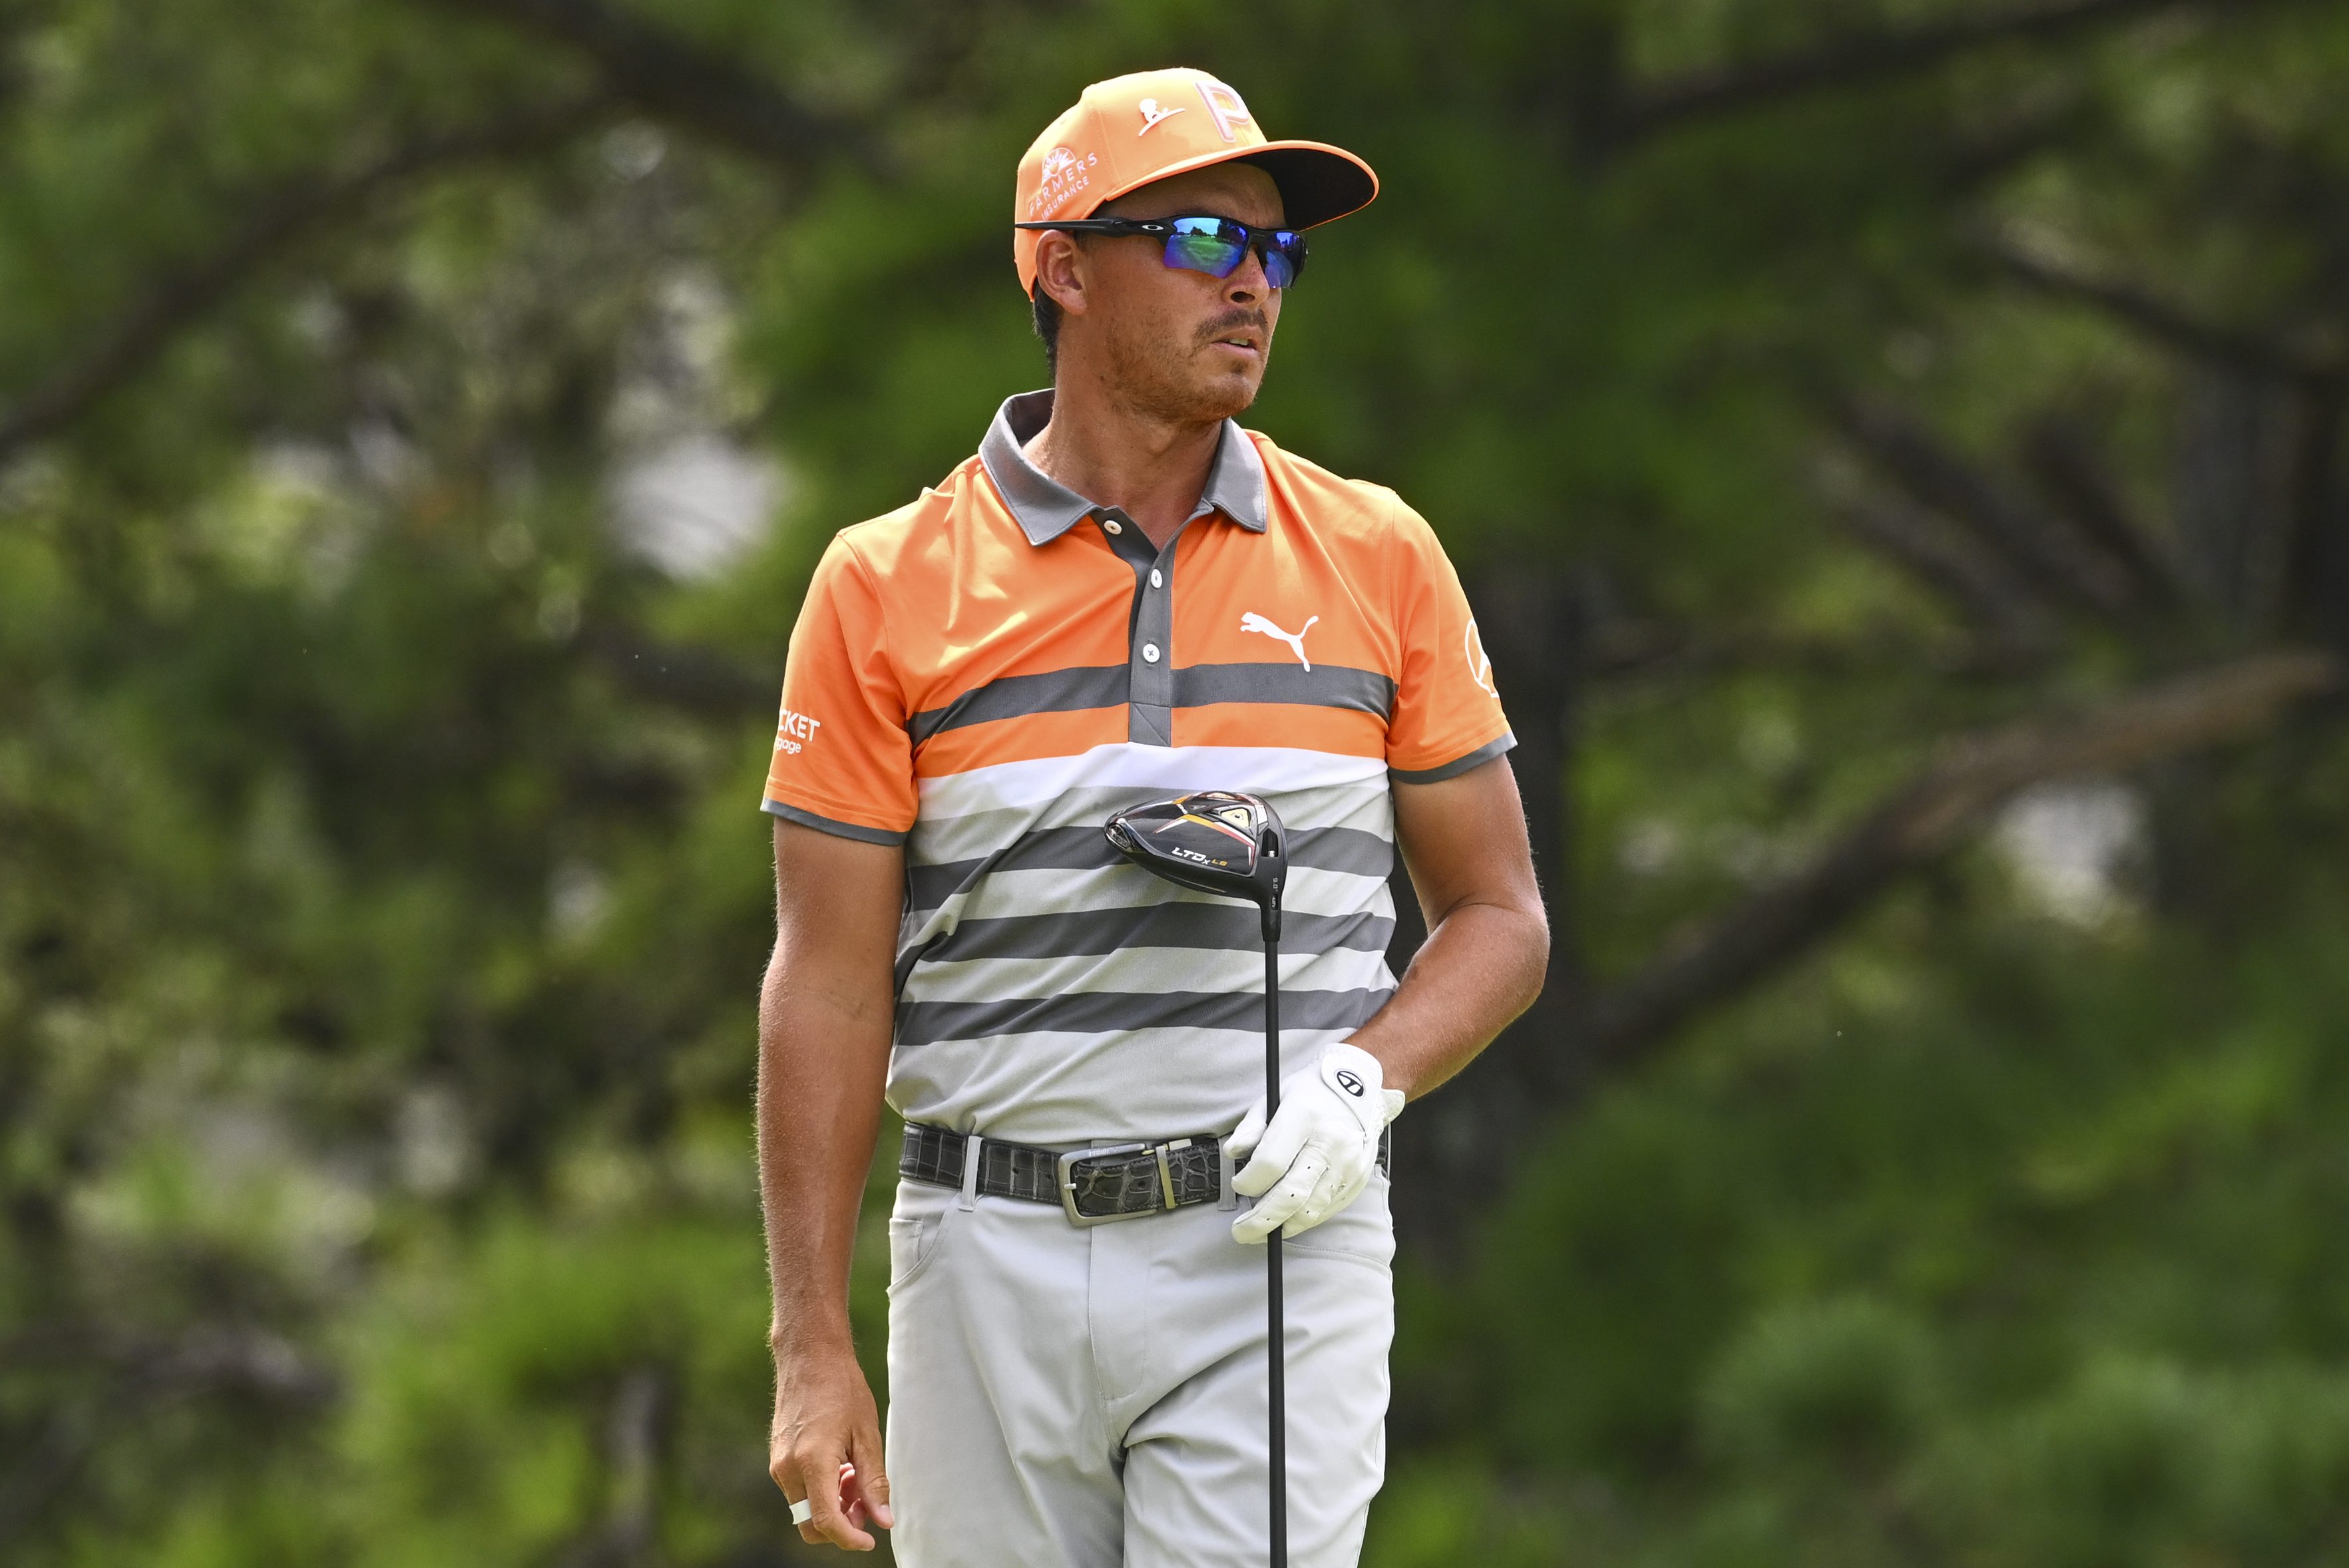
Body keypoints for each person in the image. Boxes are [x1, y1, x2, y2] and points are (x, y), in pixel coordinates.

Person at [756, 67, 1548, 1567]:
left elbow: (1500, 916)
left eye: (1274, 251)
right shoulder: (883, 583)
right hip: (978, 1251)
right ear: (1063, 268)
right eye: (1202, 240)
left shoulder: (1378, 553)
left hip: (1267, 1243)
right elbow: (830, 979)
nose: (1252, 283)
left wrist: (1362, 1084)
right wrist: (810, 1345)